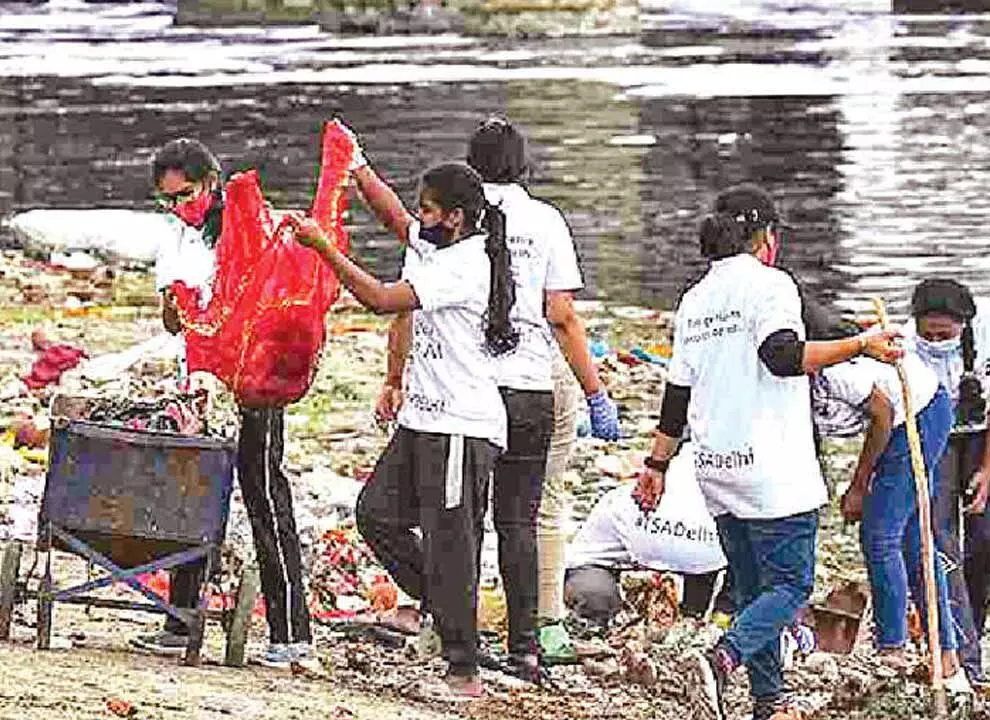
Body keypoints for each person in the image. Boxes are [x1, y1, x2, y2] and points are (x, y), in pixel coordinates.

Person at [349, 116, 620, 673]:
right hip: (525, 388)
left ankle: (455, 626)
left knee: (458, 522)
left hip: (469, 389)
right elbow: (562, 314)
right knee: (518, 521)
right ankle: (524, 645)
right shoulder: (543, 220)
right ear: (524, 168)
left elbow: (402, 305)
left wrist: (394, 377)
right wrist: (595, 390)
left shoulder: (450, 221)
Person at [633, 210, 901, 720]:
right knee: (792, 586)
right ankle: (722, 659)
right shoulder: (771, 285)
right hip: (771, 469)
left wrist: (657, 464)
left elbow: (676, 394)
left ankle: (767, 702)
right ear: (766, 240)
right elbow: (781, 355)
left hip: (715, 466)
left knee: (756, 590)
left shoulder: (695, 299)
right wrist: (861, 345)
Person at [284, 161, 516, 701]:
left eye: (430, 209)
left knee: (453, 543)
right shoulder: (438, 243)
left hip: (461, 425)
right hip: (423, 419)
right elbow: (394, 217)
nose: (420, 217)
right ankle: (442, 608)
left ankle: (464, 669)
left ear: (455, 218)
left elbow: (381, 300)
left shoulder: (465, 264)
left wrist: (322, 248)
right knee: (376, 515)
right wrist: (355, 165)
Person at [136, 138, 314, 669]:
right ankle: (180, 622)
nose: (179, 207)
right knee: (193, 496)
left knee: (264, 499)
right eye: (167, 200)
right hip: (202, 385)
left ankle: (291, 633)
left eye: (185, 195)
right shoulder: (179, 237)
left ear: (212, 184)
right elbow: (176, 321)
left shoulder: (248, 227)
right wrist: (176, 305)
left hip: (252, 386)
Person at [813, 348, 966, 688]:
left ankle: (892, 648)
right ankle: (944, 651)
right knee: (913, 543)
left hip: (918, 414)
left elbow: (883, 413)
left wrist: (859, 483)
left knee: (879, 535)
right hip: (905, 417)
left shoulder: (835, 372)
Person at [904, 278, 990, 687]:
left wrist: (987, 472)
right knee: (940, 542)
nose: (935, 341)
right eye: (928, 333)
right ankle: (966, 659)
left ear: (965, 324)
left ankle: (967, 626)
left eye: (945, 334)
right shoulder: (906, 344)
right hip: (936, 434)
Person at [564, 442, 729, 625]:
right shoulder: (634, 497)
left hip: (659, 562)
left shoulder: (705, 502)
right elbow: (653, 555)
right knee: (598, 601)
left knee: (699, 594)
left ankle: (691, 617)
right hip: (598, 567)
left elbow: (706, 564)